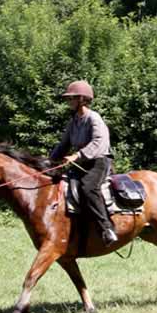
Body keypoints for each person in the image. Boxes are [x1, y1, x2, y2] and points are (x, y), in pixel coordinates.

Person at [49, 80, 117, 244]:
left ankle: (107, 229)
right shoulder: (73, 122)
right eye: (68, 99)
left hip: (99, 161)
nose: (68, 102)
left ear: (82, 99)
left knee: (88, 188)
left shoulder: (94, 118)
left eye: (71, 98)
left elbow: (98, 142)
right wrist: (49, 162)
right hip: (82, 162)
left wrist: (77, 156)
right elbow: (63, 145)